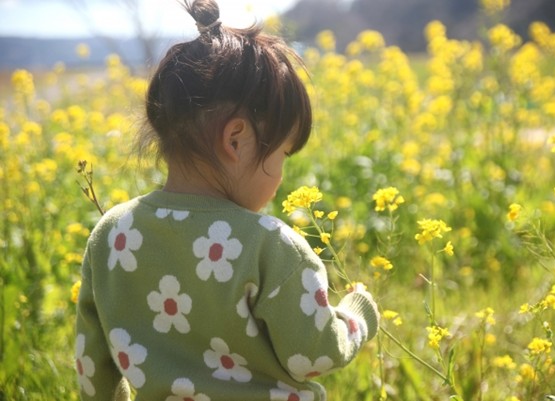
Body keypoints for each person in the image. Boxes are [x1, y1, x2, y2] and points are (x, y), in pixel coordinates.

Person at [74, 0, 380, 399]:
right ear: (236, 140)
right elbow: (314, 355)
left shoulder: (111, 234)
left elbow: (91, 368)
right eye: (281, 155)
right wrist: (357, 315)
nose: (282, 174)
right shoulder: (270, 246)